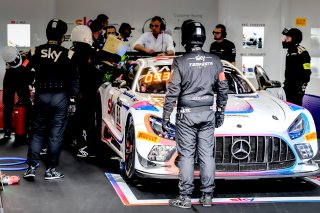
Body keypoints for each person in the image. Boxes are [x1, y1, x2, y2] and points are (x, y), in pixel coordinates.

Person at [162, 20, 228, 208]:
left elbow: (172, 91)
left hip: (186, 115)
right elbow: (223, 88)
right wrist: (221, 111)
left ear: (185, 38)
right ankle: (207, 197)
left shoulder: (180, 61)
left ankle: (185, 197)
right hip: (207, 114)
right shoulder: (215, 60)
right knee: (207, 156)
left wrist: (166, 115)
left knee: (187, 157)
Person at [23, 19, 79, 180]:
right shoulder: (69, 54)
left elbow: (24, 69)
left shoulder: (34, 51)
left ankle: (31, 168)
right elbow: (74, 78)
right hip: (60, 97)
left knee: (37, 132)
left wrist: (32, 82)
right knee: (56, 134)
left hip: (41, 95)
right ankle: (50, 170)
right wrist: (73, 99)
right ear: (62, 35)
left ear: (47, 33)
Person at [70, 25, 121, 158]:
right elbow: (117, 57)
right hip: (88, 91)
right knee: (88, 119)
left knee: (76, 118)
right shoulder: (91, 51)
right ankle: (84, 146)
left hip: (73, 92)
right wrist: (120, 49)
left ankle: (77, 143)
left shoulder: (70, 52)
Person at [0, 46, 32, 142]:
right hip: (10, 78)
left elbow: (29, 69)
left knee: (27, 104)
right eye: (11, 62)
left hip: (22, 78)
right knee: (7, 106)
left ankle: (28, 131)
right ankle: (7, 131)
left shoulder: (27, 58)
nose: (14, 63)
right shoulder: (8, 56)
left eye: (15, 60)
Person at [282, 28, 311, 106]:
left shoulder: (302, 52)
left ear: (294, 39)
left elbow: (307, 70)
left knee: (295, 108)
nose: (285, 39)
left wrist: (303, 85)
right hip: (288, 86)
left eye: (287, 38)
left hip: (297, 88)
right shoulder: (289, 52)